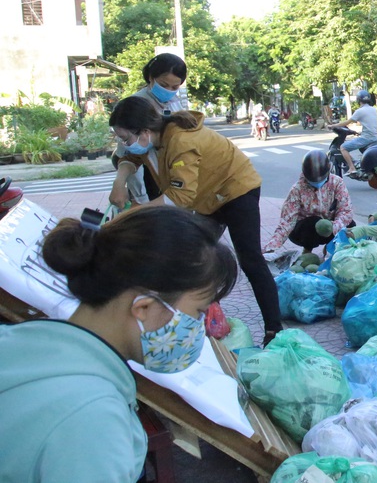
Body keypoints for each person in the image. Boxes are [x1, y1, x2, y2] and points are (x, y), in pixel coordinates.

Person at [0, 205, 238, 483]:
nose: (200, 328)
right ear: (144, 308)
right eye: (198, 313)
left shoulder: (17, 342)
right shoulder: (94, 423)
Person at [107, 96, 284, 346]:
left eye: (126, 138)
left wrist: (136, 210)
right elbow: (130, 157)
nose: (126, 144)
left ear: (144, 131)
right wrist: (119, 182)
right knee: (194, 258)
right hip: (207, 198)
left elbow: (180, 196)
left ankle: (274, 331)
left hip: (236, 191)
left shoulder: (181, 141)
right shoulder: (151, 141)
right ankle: (208, 319)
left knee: (250, 259)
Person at [113, 53, 188, 203]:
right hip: (147, 170)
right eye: (164, 85)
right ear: (151, 78)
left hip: (170, 168)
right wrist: (139, 196)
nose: (169, 91)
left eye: (175, 87)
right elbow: (128, 156)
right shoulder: (136, 105)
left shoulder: (175, 102)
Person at [264, 149, 355, 255]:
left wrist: (332, 227)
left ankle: (331, 246)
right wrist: (271, 247)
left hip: (331, 228)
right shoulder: (297, 189)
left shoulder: (337, 183)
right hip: (305, 232)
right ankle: (307, 251)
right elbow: (287, 222)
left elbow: (345, 211)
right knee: (313, 222)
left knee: (350, 226)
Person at [328, 90, 377, 179]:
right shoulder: (373, 109)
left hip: (367, 138)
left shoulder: (360, 111)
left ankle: (352, 168)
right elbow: (368, 122)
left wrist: (333, 126)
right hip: (374, 136)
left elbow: (347, 122)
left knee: (343, 147)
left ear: (358, 100)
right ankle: (358, 165)